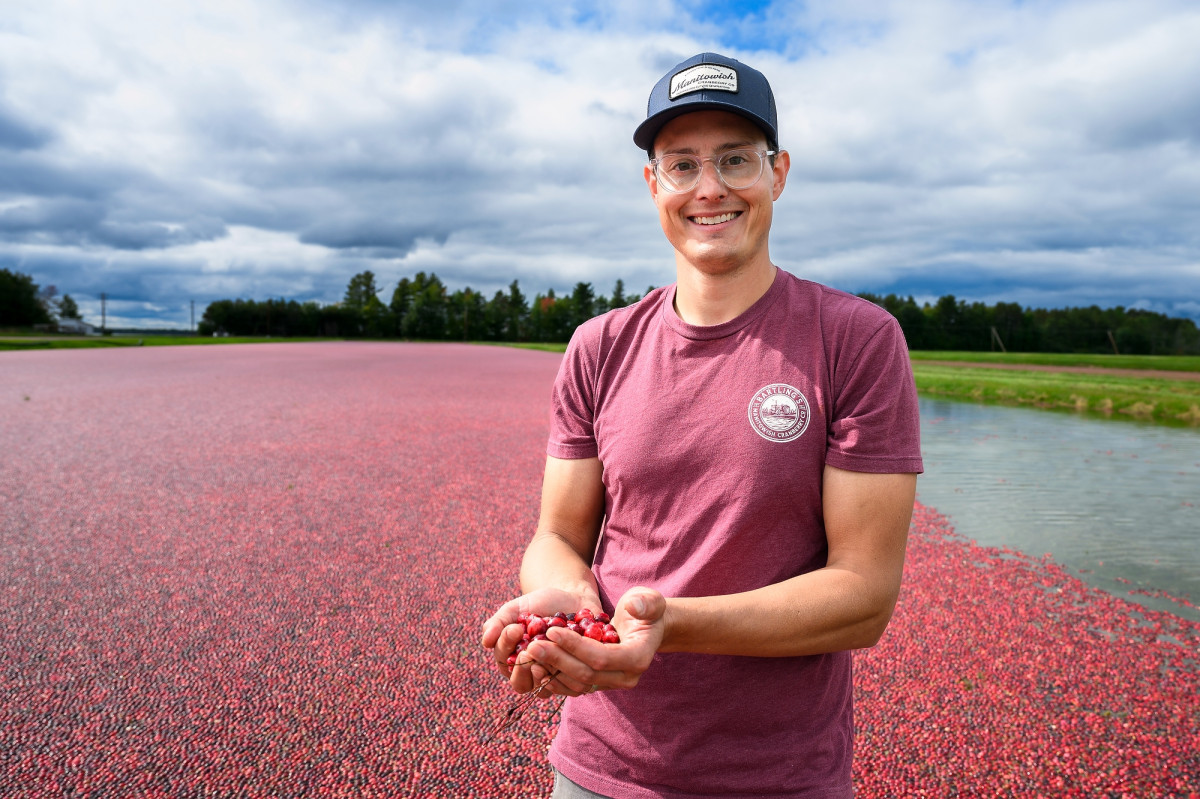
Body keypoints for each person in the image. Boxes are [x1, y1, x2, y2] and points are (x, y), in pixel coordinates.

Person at [482, 52, 923, 798]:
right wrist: (575, 608)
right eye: (682, 165)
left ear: (778, 172)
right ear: (653, 184)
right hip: (599, 765)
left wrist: (666, 624)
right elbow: (558, 536)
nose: (709, 187)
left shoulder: (855, 339)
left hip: (780, 776)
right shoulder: (598, 346)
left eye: (735, 159)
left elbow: (863, 596)